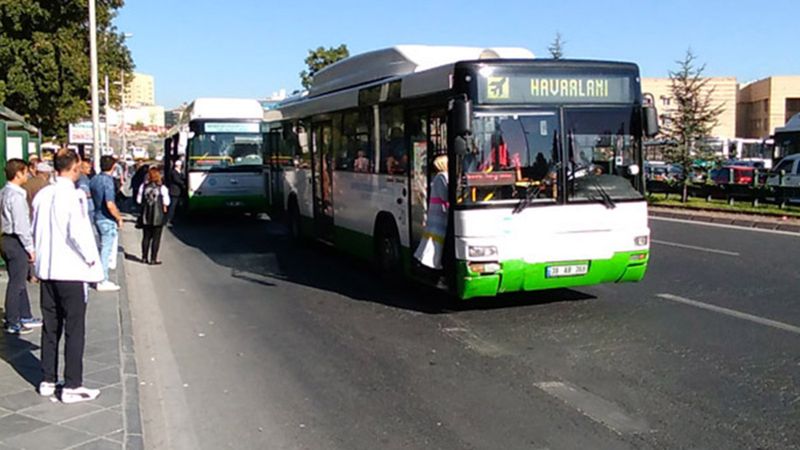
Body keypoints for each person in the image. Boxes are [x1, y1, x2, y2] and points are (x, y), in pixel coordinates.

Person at [32, 150, 103, 403]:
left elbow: (35, 230)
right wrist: (92, 260)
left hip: (47, 269)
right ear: (74, 168)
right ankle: (73, 384)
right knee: (75, 328)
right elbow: (78, 233)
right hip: (70, 271)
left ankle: (48, 379)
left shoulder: (43, 195)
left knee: (51, 326)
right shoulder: (73, 197)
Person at [1, 159, 41, 335]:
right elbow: (21, 225)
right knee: (16, 283)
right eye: (25, 172)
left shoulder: (4, 192)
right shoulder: (16, 196)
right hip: (16, 240)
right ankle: (12, 320)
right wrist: (30, 247)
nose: (27, 175)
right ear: (18, 173)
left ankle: (24, 314)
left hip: (6, 239)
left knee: (19, 278)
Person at [89, 156, 123, 291]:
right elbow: (110, 203)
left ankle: (99, 276)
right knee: (106, 250)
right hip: (106, 218)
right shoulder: (108, 181)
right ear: (113, 166)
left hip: (97, 215)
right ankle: (102, 279)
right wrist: (119, 217)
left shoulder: (94, 179)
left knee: (102, 248)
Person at [414, 151, 449, 270]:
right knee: (435, 240)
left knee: (433, 239)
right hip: (439, 213)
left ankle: (427, 261)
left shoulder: (440, 176)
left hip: (437, 212)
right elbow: (445, 196)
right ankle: (431, 263)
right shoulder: (441, 177)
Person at [137, 167, 170, 265]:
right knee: (156, 238)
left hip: (146, 215)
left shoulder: (143, 186)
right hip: (158, 216)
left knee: (146, 237)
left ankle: (144, 257)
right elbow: (167, 202)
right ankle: (153, 259)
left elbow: (139, 201)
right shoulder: (162, 188)